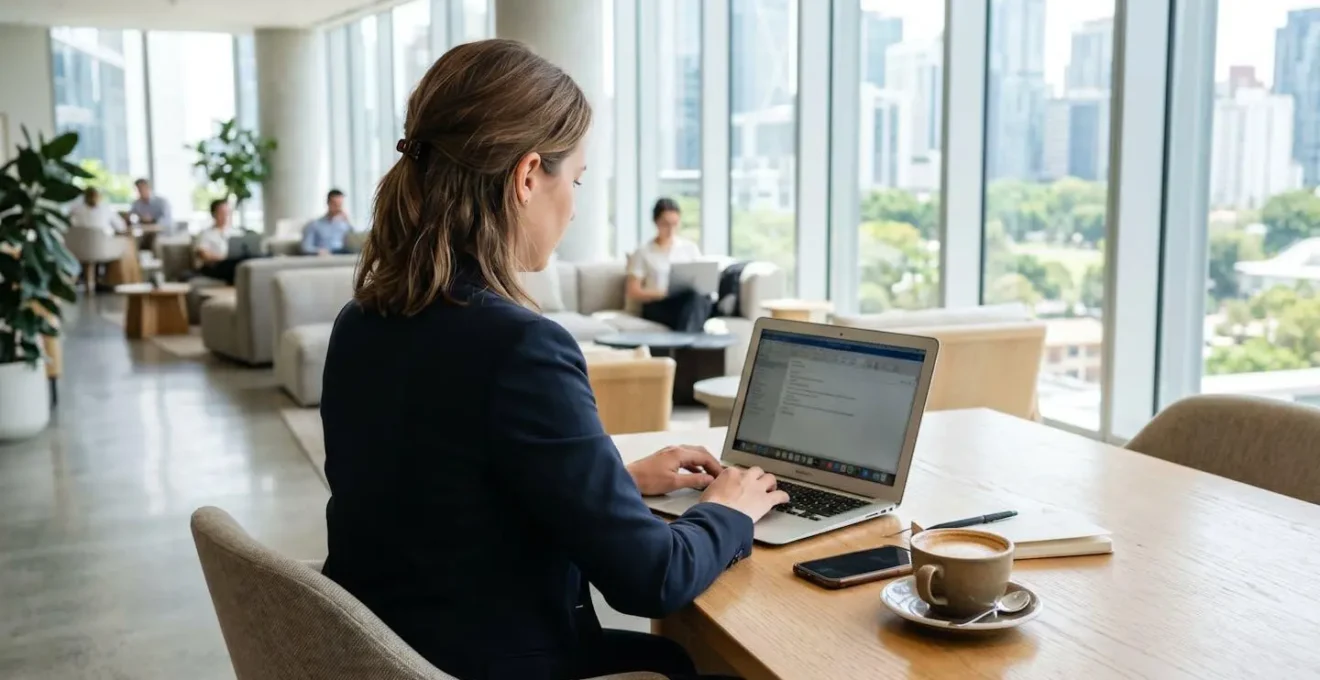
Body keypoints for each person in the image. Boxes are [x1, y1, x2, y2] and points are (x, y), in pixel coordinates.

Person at [320, 39, 787, 680]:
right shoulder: (520, 347)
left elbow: (447, 494)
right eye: (577, 179)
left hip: (395, 650)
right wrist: (729, 509)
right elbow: (651, 578)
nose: (573, 202)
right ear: (528, 174)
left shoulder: (361, 322)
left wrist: (612, 481)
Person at [625, 198, 709, 332]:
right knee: (695, 308)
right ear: (656, 222)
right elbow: (633, 291)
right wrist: (662, 293)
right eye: (665, 224)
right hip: (658, 304)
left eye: (675, 224)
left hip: (686, 300)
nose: (671, 230)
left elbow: (700, 280)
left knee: (699, 299)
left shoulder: (690, 248)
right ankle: (689, 343)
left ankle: (684, 342)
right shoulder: (643, 252)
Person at [194, 200, 250, 284]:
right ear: (213, 214)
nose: (225, 216)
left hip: (235, 263)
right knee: (234, 265)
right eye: (221, 213)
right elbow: (204, 255)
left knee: (247, 260)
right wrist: (224, 258)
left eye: (228, 213)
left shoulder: (238, 233)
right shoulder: (205, 234)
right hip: (215, 266)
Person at [300, 189, 355, 255]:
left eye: (340, 205)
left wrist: (348, 220)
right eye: (335, 205)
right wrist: (319, 251)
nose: (338, 208)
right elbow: (306, 247)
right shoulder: (314, 224)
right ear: (328, 203)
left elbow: (356, 240)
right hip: (325, 254)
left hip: (342, 253)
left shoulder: (344, 224)